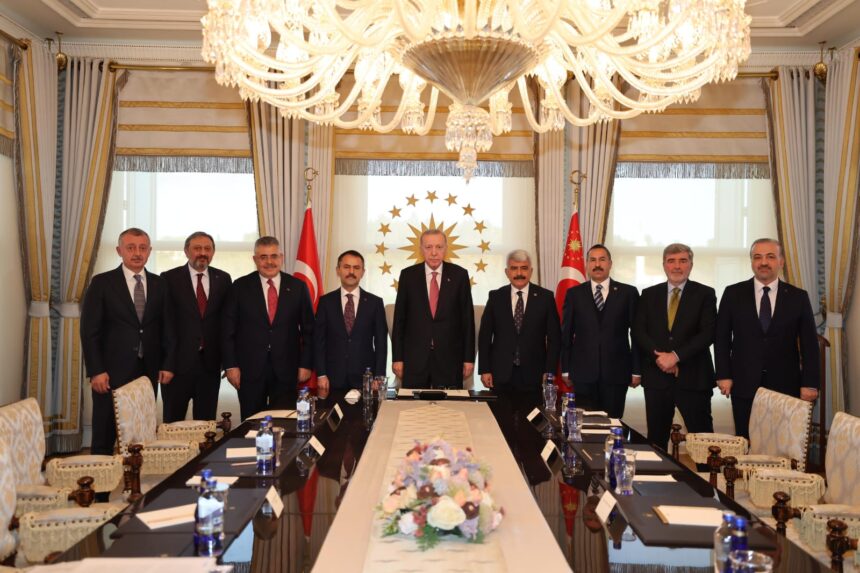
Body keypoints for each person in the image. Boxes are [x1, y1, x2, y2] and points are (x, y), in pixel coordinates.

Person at [80, 228, 175, 456]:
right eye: (131, 248)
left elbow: (168, 328)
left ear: (149, 251)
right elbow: (89, 331)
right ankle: (101, 478)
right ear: (119, 250)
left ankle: (136, 476)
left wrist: (168, 364)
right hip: (110, 372)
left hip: (148, 370)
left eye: (142, 248)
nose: (137, 253)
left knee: (141, 432)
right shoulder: (102, 283)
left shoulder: (160, 284)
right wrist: (96, 370)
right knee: (105, 433)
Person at [715, 238, 819, 439]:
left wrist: (810, 383)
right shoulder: (733, 293)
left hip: (785, 385)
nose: (763, 262)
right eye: (758, 257)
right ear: (752, 262)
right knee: (745, 440)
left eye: (770, 256)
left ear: (781, 262)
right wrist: (723, 375)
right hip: (743, 383)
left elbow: (809, 344)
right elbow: (721, 338)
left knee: (783, 442)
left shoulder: (798, 297)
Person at [632, 243, 717, 452]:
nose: (677, 266)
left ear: (691, 265)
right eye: (671, 261)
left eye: (682, 261)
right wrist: (661, 358)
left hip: (694, 378)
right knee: (656, 442)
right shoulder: (648, 294)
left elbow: (708, 333)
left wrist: (676, 357)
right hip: (657, 378)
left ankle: (707, 476)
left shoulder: (705, 294)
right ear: (664, 265)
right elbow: (639, 332)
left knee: (703, 443)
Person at [221, 236, 314, 420]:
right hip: (249, 370)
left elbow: (309, 330)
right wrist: (230, 366)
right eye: (263, 257)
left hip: (287, 369)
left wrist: (306, 364)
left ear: (281, 257)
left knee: (284, 421)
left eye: (274, 256)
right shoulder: (239, 287)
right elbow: (227, 330)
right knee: (252, 422)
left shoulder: (298, 287)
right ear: (255, 259)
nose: (269, 262)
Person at [561, 244, 640, 418]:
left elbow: (636, 335)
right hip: (582, 374)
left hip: (617, 374)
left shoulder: (628, 293)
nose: (597, 264)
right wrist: (565, 369)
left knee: (613, 423)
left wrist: (636, 370)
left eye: (602, 260)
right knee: (584, 425)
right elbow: (566, 335)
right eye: (593, 260)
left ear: (610, 263)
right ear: (587, 264)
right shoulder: (574, 294)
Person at [161, 231, 232, 422]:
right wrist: (165, 364)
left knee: (206, 424)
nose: (203, 253)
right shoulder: (169, 278)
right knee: (173, 423)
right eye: (197, 248)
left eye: (207, 249)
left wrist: (228, 361)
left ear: (213, 252)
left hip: (210, 366)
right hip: (177, 366)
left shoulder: (223, 279)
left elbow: (227, 322)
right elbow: (164, 323)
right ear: (186, 251)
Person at [391, 228, 475, 388]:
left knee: (449, 403)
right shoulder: (408, 276)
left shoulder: (460, 275)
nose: (434, 253)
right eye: (428, 247)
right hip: (415, 359)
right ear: (421, 249)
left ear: (446, 248)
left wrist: (468, 359)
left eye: (439, 247)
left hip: (449, 359)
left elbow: (467, 321)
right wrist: (397, 358)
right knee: (413, 403)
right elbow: (399, 320)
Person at [478, 249, 560, 410]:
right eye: (514, 268)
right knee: (500, 419)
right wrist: (485, 369)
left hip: (534, 375)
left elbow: (554, 338)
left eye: (524, 268)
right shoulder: (495, 297)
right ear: (507, 272)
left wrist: (549, 371)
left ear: (531, 271)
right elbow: (485, 336)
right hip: (500, 374)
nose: (519, 273)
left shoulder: (545, 298)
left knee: (531, 421)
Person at [314, 250, 388, 391]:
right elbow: (319, 341)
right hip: (332, 378)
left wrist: (379, 375)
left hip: (366, 378)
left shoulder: (375, 303)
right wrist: (321, 374)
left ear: (363, 272)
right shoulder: (325, 302)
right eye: (346, 267)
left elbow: (381, 343)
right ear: (338, 270)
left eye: (356, 268)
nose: (351, 272)